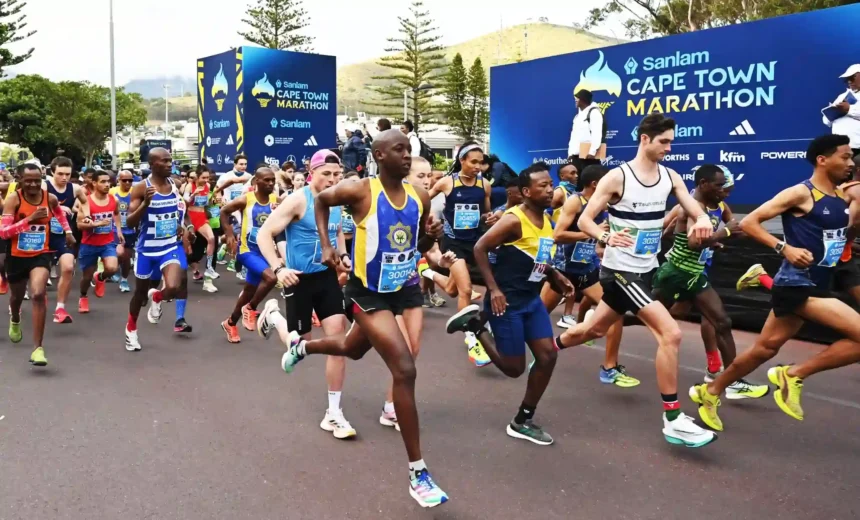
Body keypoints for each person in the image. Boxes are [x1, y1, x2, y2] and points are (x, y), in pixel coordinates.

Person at [256, 129, 449, 508]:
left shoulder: (420, 196)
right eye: (398, 149)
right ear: (378, 155)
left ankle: (303, 348)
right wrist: (325, 247)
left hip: (403, 288)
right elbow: (320, 202)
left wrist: (431, 237)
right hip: (365, 292)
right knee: (405, 369)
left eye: (409, 150)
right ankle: (418, 473)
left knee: (350, 347)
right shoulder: (358, 190)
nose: (406, 155)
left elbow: (414, 245)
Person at [555, 113, 717, 448]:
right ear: (645, 139)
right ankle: (673, 419)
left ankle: (547, 349)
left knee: (593, 330)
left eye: (671, 142)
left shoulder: (670, 176)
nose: (669, 148)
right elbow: (585, 220)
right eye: (664, 142)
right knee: (670, 333)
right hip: (619, 272)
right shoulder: (618, 177)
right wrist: (604, 235)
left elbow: (691, 204)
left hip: (646, 270)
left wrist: (702, 218)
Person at [690, 134, 860, 431]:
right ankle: (793, 374)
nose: (850, 163)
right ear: (822, 160)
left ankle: (711, 391)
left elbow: (833, 236)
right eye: (844, 157)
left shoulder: (839, 196)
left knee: (765, 349)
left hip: (818, 281)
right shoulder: (801, 193)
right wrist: (784, 247)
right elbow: (749, 222)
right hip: (797, 284)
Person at [446, 163, 575, 445]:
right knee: (514, 368)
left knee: (547, 357)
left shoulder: (546, 219)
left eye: (551, 184)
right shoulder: (513, 220)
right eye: (543, 186)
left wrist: (554, 275)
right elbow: (480, 248)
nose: (550, 189)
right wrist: (493, 290)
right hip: (506, 302)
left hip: (531, 300)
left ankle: (522, 420)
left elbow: (536, 256)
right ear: (526, 192)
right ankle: (475, 326)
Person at [256, 150, 356, 439]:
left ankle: (334, 413)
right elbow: (264, 234)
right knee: (301, 343)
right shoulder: (299, 200)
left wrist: (343, 255)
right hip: (297, 278)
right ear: (312, 174)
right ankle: (273, 317)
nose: (333, 179)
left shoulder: (336, 199)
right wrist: (279, 269)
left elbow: (337, 232)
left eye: (337, 174)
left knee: (338, 341)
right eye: (326, 174)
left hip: (326, 276)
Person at [652, 165, 769, 400]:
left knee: (720, 322)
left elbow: (730, 230)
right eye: (719, 186)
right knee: (647, 314)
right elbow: (694, 242)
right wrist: (723, 234)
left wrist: (763, 236)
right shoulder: (692, 208)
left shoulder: (719, 206)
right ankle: (603, 321)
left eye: (726, 186)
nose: (724, 191)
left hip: (694, 274)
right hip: (677, 273)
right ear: (703, 184)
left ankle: (732, 381)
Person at [543, 165, 637, 387]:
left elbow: (600, 238)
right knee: (535, 315)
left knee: (614, 314)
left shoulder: (605, 205)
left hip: (588, 271)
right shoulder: (575, 201)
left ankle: (609, 368)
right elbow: (558, 235)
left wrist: (603, 244)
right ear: (596, 184)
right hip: (563, 271)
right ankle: (499, 339)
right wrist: (592, 232)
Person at [428, 142, 495, 366]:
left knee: (452, 289)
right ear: (462, 160)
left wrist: (489, 218)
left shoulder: (484, 185)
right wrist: (427, 220)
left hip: (474, 244)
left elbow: (485, 213)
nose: (478, 167)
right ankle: (471, 337)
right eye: (473, 162)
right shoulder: (448, 182)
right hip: (453, 243)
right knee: (465, 289)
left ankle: (428, 273)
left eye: (481, 163)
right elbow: (422, 199)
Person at [0, 163, 73, 365]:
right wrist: (29, 219)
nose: (33, 184)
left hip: (40, 254)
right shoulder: (14, 199)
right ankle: (15, 318)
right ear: (19, 180)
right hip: (16, 256)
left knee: (39, 294)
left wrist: (68, 231)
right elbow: (4, 233)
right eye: (28, 180)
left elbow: (59, 213)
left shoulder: (49, 198)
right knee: (16, 297)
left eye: (37, 180)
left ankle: (37, 349)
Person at [124, 148, 192, 352]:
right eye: (165, 161)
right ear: (152, 164)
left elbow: (179, 209)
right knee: (139, 295)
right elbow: (130, 222)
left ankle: (158, 297)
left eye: (170, 161)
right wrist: (145, 204)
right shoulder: (140, 188)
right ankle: (131, 329)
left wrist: (183, 226)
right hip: (146, 250)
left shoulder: (174, 184)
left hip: (169, 246)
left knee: (173, 286)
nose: (170, 164)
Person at [218, 167, 280, 342]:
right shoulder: (246, 199)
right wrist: (229, 234)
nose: (270, 183)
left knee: (248, 291)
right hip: (247, 251)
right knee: (271, 278)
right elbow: (224, 211)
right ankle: (251, 308)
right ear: (256, 181)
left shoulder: (277, 200)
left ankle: (230, 323)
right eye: (266, 180)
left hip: (265, 252)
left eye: (273, 180)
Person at [76, 170, 122, 312]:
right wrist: (96, 224)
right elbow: (79, 225)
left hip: (107, 242)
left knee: (112, 268)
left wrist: (119, 230)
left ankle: (100, 277)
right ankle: (83, 296)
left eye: (108, 181)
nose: (107, 184)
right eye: (103, 182)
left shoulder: (114, 200)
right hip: (89, 244)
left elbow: (116, 214)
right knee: (86, 277)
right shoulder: (86, 202)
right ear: (94, 183)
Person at [47, 156, 86, 322]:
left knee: (69, 268)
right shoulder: (44, 186)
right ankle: (19, 301)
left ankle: (60, 309)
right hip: (43, 235)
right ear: (52, 172)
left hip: (65, 234)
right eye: (60, 174)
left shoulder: (75, 188)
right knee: (37, 276)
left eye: (67, 174)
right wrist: (57, 207)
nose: (64, 177)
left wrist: (86, 215)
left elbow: (85, 202)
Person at [215, 154, 251, 272]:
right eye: (241, 164)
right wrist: (220, 200)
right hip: (229, 210)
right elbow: (217, 190)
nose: (243, 166)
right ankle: (233, 260)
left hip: (242, 209)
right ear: (235, 164)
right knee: (236, 234)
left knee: (238, 234)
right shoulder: (226, 177)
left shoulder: (249, 177)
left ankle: (223, 244)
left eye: (245, 164)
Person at [184, 166, 219, 281]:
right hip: (190, 217)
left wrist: (214, 201)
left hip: (202, 217)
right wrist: (194, 194)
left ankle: (209, 267)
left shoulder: (207, 186)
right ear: (197, 177)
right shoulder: (190, 186)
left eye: (207, 177)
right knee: (187, 247)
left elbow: (206, 203)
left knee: (211, 238)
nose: (206, 180)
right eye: (203, 178)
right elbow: (185, 201)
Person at [567, 89, 605, 187]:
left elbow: (597, 133)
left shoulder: (594, 112)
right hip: (577, 157)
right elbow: (574, 137)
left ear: (583, 100)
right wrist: (570, 153)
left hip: (589, 156)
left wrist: (592, 152)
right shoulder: (577, 116)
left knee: (590, 184)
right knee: (579, 185)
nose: (575, 100)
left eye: (578, 98)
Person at [823, 64, 860, 156]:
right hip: (839, 147)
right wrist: (830, 114)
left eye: (852, 78)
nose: (849, 81)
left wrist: (849, 109)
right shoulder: (842, 96)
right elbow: (826, 121)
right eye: (847, 79)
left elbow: (850, 110)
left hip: (857, 147)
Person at [111, 169, 137, 293]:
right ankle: (113, 268)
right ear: (118, 180)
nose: (127, 183)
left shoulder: (135, 193)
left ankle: (124, 279)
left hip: (130, 230)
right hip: (114, 229)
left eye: (130, 180)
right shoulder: (112, 192)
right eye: (124, 180)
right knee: (119, 253)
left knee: (126, 257)